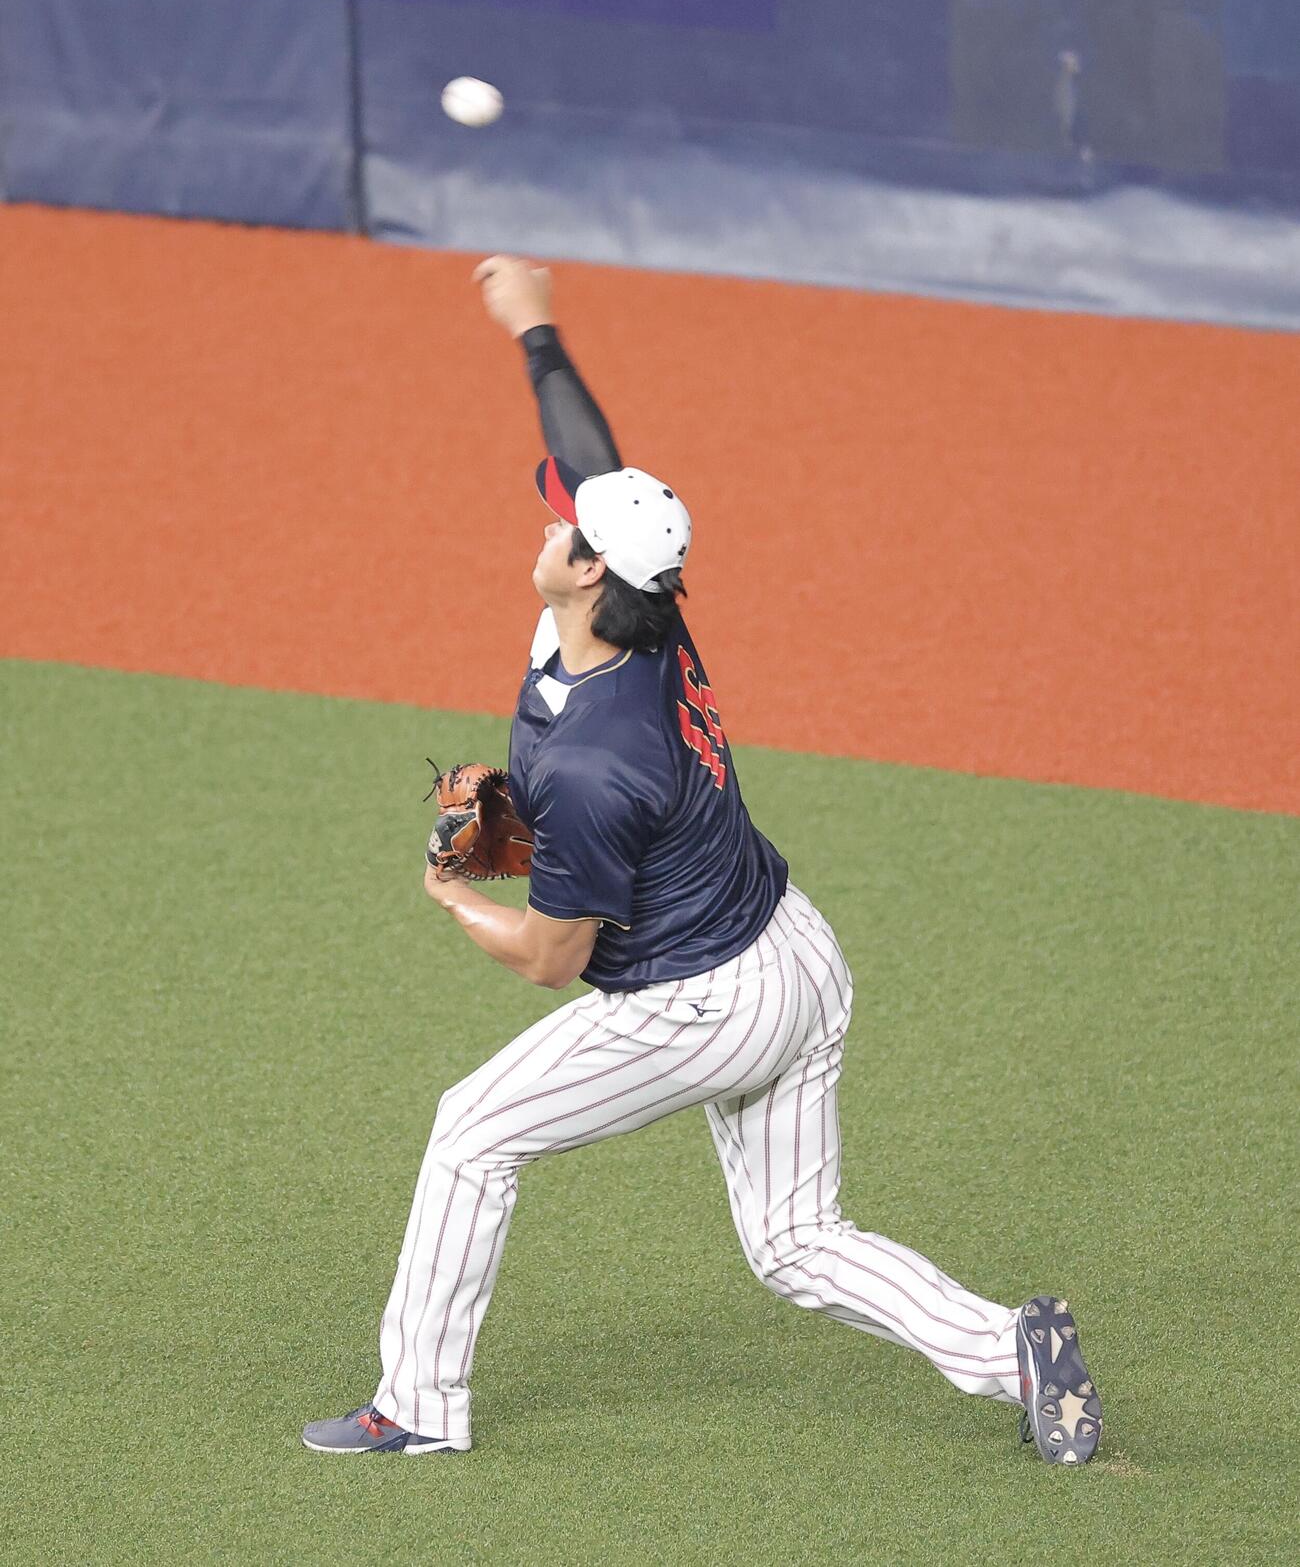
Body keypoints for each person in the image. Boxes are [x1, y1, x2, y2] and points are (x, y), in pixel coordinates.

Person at [302, 258, 1102, 1466]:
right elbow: (591, 456)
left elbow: (550, 958)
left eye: (559, 525)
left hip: (700, 1004)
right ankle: (1015, 1350)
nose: (546, 516)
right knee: (795, 1242)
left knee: (471, 1130)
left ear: (585, 573)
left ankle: (416, 1404)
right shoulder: (648, 607)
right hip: (796, 949)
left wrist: (455, 892)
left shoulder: (592, 762)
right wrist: (534, 326)